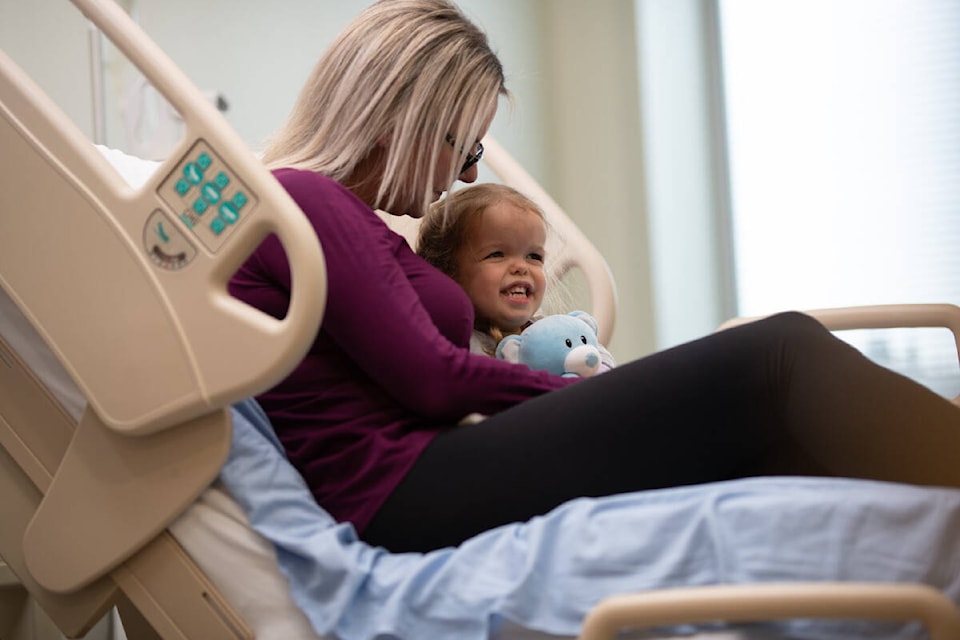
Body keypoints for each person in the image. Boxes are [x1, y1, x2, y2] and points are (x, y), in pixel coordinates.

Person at [229, 0, 960, 554]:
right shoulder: (304, 200)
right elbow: (434, 380)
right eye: (465, 143)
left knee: (773, 443)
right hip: (405, 488)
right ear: (404, 120)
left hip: (425, 471)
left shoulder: (338, 216)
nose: (471, 172)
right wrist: (581, 392)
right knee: (779, 356)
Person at [416, 182, 615, 371]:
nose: (521, 267)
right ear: (446, 272)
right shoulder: (454, 345)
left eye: (534, 256)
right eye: (497, 254)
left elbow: (602, 367)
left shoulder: (554, 333)